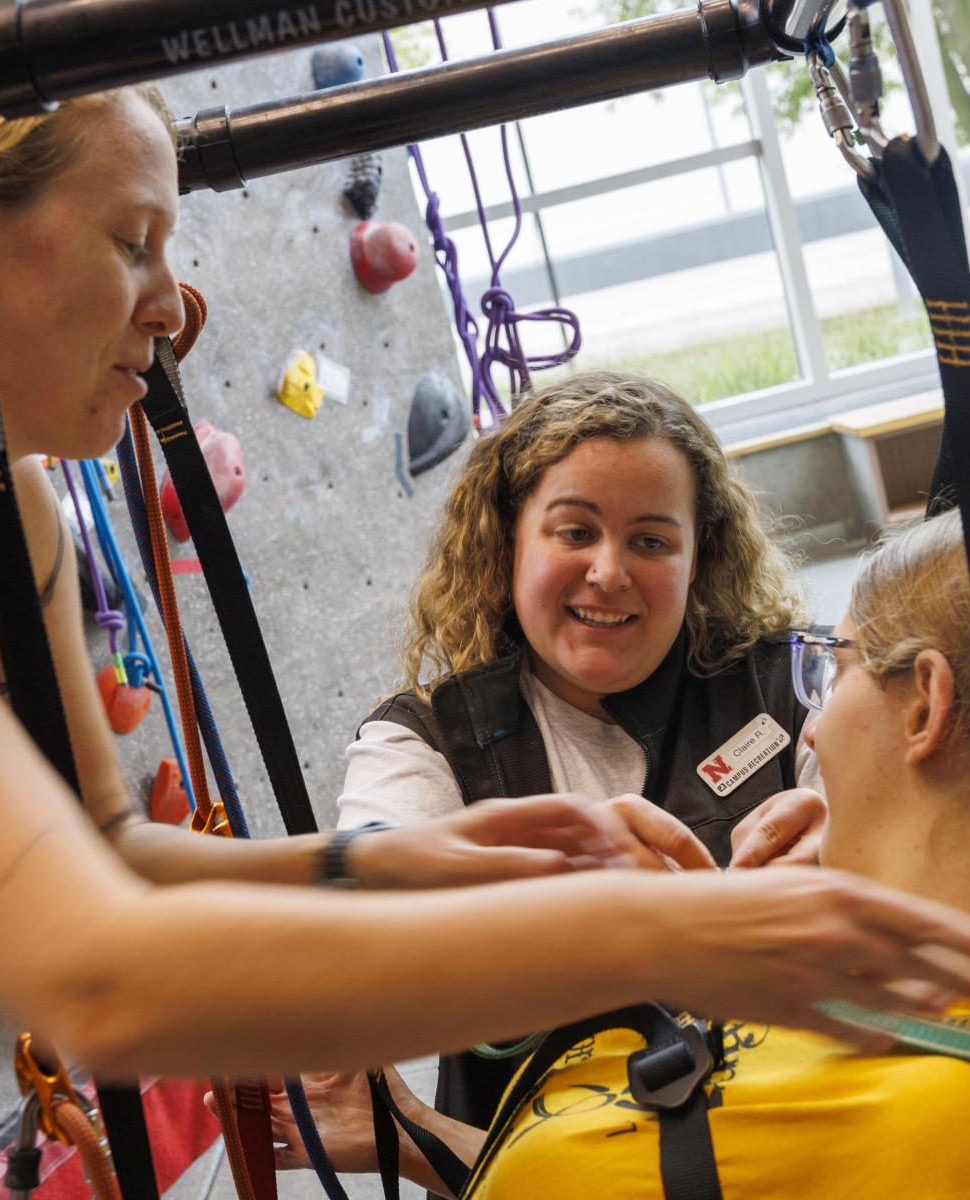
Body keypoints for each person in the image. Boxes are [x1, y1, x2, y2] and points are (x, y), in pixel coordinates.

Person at [0, 88, 970, 1196]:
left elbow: (112, 857)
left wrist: (407, 866)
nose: (179, 302)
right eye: (136, 241)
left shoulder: (1, 513)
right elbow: (99, 984)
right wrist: (670, 941)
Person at [282, 471, 970, 1199]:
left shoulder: (945, 1124)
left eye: (834, 671)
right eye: (573, 531)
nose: (813, 728)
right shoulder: (880, 1037)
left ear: (926, 706)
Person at [335, 371, 836, 1133]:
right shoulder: (423, 740)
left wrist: (854, 845)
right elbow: (370, 916)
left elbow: (903, 861)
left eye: (651, 540)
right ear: (508, 542)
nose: (609, 571)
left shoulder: (789, 685)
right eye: (574, 531)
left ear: (700, 557)